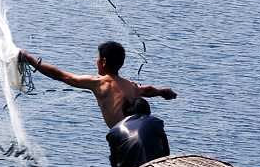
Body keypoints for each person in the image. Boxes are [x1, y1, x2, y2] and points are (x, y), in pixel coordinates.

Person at [20, 41, 177, 129]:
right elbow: (147, 90)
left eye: (97, 58)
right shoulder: (130, 85)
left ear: (103, 62)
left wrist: (31, 60)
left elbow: (60, 75)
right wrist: (162, 92)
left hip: (123, 133)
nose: (96, 61)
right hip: (143, 128)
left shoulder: (100, 83)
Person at [106, 97, 170, 167]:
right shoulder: (156, 123)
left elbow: (115, 166)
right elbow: (166, 154)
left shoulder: (113, 132)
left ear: (124, 113)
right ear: (148, 112)